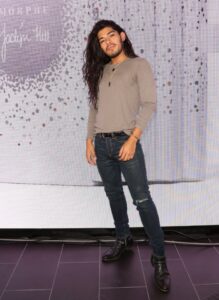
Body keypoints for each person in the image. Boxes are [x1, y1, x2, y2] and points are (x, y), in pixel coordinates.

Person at [82, 19, 170, 293]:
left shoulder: (138, 65)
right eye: (101, 41)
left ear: (122, 36)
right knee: (113, 195)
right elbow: (95, 108)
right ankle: (123, 238)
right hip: (102, 143)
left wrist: (133, 138)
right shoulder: (102, 70)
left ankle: (159, 259)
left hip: (125, 141)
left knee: (142, 200)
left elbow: (149, 103)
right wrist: (89, 139)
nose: (107, 42)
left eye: (111, 36)